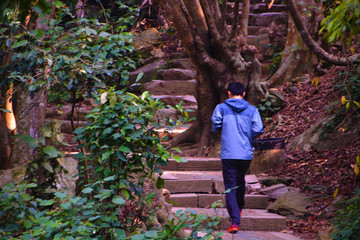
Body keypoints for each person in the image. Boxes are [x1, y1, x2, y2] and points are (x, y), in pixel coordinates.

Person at [211, 82, 263, 234]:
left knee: (230, 186)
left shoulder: (221, 108)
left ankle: (235, 222)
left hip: (229, 153)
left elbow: (215, 124)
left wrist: (222, 130)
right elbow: (258, 129)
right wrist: (248, 136)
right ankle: (238, 209)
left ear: (228, 93)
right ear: (244, 93)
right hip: (246, 153)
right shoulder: (252, 110)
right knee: (240, 181)